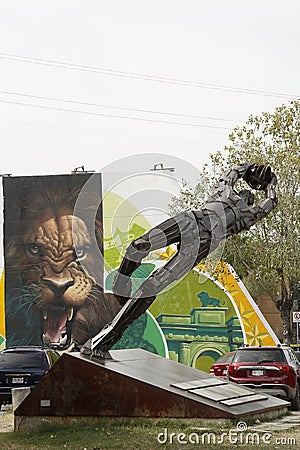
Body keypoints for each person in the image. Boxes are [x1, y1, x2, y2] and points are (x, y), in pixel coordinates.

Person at [81, 163, 277, 356]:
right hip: (190, 220)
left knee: (152, 286)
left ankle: (103, 340)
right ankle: (121, 286)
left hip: (203, 243)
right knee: (138, 246)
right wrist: (252, 168)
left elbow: (270, 202)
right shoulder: (224, 191)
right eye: (246, 192)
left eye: (249, 198)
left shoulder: (247, 215)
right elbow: (234, 172)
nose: (247, 196)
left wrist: (271, 184)